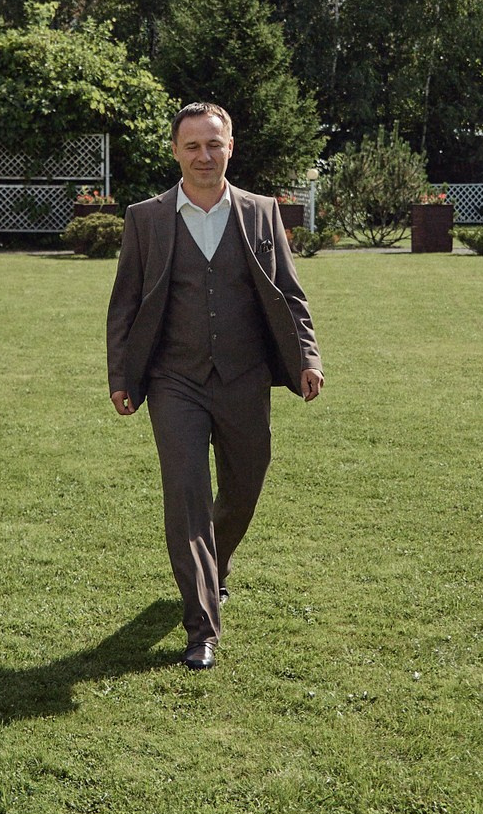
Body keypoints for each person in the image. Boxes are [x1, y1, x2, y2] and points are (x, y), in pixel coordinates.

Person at [105, 103, 322, 671]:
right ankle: (202, 626)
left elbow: (289, 293)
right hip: (173, 379)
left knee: (245, 485)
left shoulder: (261, 211)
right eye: (193, 146)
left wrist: (307, 357)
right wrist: (121, 376)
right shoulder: (146, 218)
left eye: (214, 144)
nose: (204, 156)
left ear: (230, 147)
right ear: (176, 151)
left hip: (245, 378)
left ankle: (216, 560)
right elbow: (125, 303)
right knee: (187, 499)